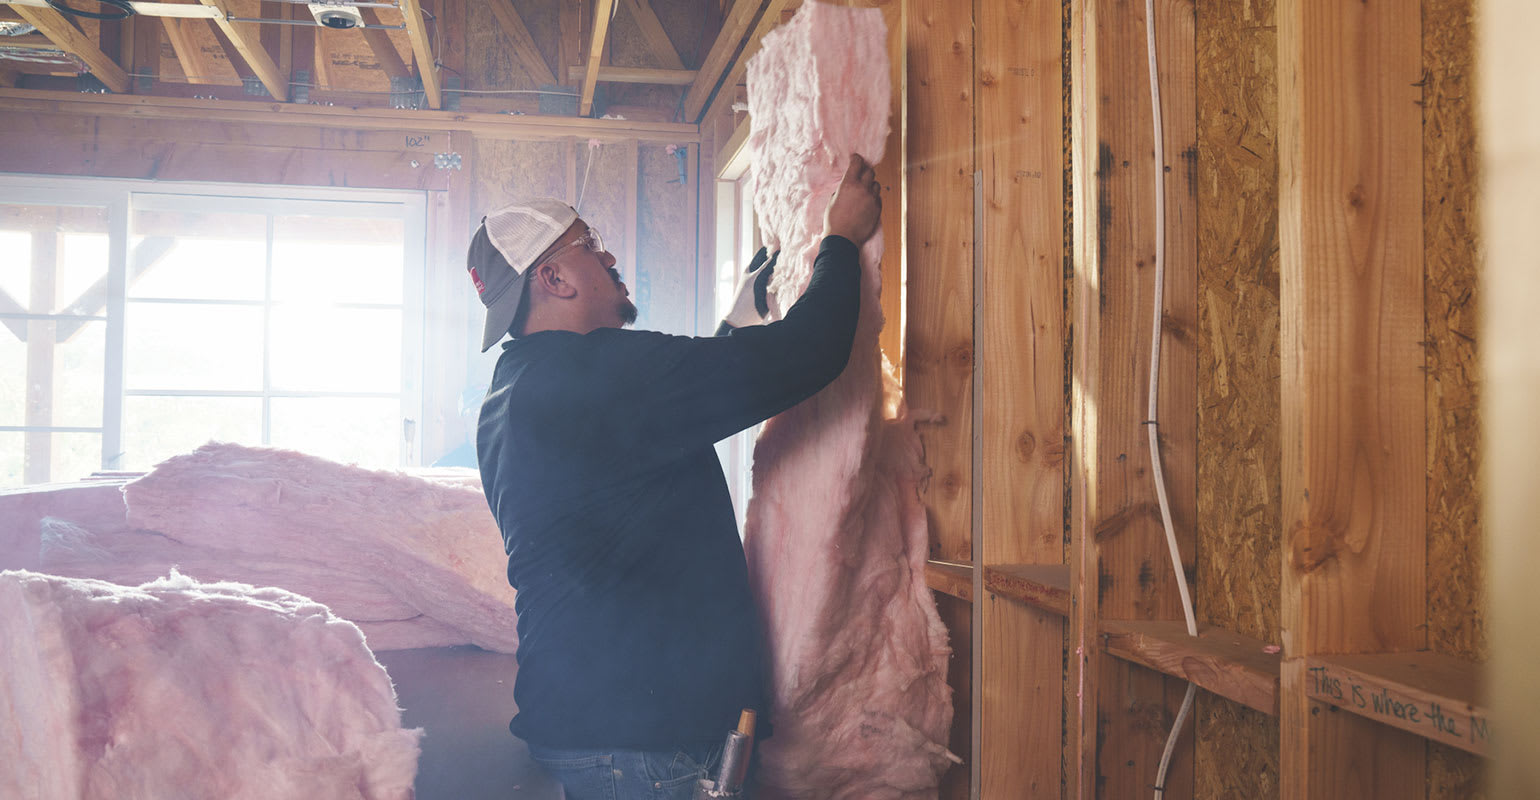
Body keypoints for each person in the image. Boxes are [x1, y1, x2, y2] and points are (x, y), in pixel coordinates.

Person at [470, 155, 882, 800]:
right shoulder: (597, 377)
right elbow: (810, 353)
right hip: (640, 751)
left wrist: (739, 318)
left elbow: (659, 416)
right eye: (591, 245)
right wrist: (841, 239)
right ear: (553, 277)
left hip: (599, 733)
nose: (609, 259)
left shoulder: (522, 388)